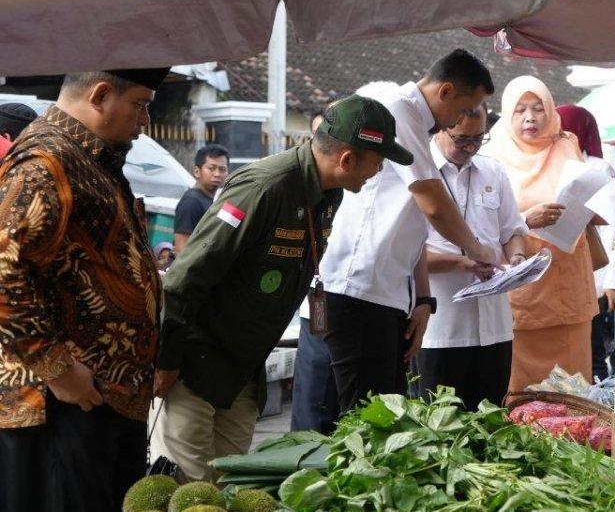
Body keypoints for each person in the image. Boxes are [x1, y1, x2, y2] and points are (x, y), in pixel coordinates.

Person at [153, 94, 409, 482]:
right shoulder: (264, 187)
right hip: (193, 364)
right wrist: (165, 361)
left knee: (229, 488)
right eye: (378, 161)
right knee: (184, 489)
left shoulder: (329, 194)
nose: (379, 170)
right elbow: (184, 279)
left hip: (243, 371)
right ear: (346, 159)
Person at [0, 68, 167, 512]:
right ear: (99, 94)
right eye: (139, 104)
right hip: (65, 404)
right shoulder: (47, 159)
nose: (145, 119)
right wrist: (57, 369)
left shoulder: (88, 157)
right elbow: (3, 269)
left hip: (100, 401)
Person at [321, 50, 498, 413]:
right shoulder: (398, 109)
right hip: (360, 288)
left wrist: (422, 299)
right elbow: (431, 201)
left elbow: (414, 224)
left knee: (388, 413)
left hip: (388, 293)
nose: (461, 120)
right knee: (365, 419)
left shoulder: (417, 123)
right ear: (445, 91)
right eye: (465, 109)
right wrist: (474, 247)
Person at [485, 76, 600, 393]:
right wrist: (525, 219)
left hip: (569, 282)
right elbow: (481, 223)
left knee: (573, 387)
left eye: (538, 108)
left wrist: (611, 201)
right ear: (508, 113)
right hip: (524, 286)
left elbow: (586, 196)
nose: (530, 118)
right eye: (520, 110)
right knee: (522, 387)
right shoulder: (492, 155)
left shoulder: (567, 144)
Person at [418, 104, 527, 409]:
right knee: (440, 427)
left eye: (479, 139)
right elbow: (406, 252)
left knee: (490, 421)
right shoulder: (419, 172)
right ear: (441, 127)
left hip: (494, 326)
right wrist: (460, 262)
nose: (471, 148)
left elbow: (511, 230)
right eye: (462, 139)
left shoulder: (492, 170)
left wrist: (517, 259)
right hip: (440, 330)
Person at [556, 104, 615, 381]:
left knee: (593, 350)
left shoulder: (597, 167)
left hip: (595, 273)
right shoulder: (551, 164)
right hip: (561, 270)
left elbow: (613, 226)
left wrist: (612, 281)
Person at [290, 111, 340, 434]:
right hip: (317, 307)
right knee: (312, 408)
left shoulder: (353, 182)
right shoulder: (294, 182)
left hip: (358, 305)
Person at [174, 143, 230, 253]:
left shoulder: (208, 200)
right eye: (211, 168)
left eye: (222, 169)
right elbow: (181, 248)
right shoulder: (191, 202)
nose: (217, 174)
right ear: (197, 171)